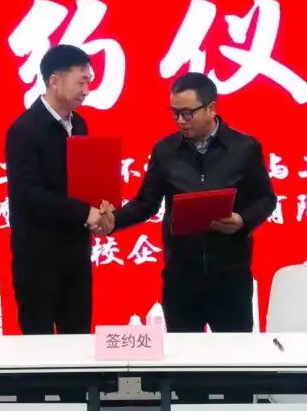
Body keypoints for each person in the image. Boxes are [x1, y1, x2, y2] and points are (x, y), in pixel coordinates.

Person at [105, 71, 276, 339]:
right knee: (182, 359)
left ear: (211, 108)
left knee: (234, 357)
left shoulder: (244, 148)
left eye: (187, 113)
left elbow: (266, 199)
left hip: (230, 277)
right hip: (181, 278)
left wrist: (243, 221)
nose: (180, 121)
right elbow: (146, 203)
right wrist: (113, 220)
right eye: (175, 113)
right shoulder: (165, 151)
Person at [5, 44, 110, 339]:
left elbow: (82, 182)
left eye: (89, 82)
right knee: (38, 344)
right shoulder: (25, 129)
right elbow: (28, 195)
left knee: (77, 338)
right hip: (37, 257)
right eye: (81, 82)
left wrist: (101, 210)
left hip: (75, 252)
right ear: (54, 80)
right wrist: (84, 212)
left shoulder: (80, 125)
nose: (86, 90)